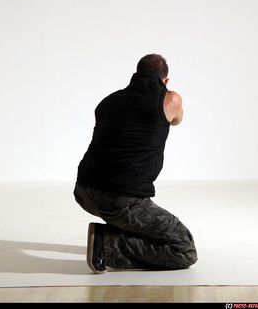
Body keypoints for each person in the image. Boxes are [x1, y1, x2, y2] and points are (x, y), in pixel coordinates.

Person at [73, 54, 198, 273]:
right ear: (165, 81)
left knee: (137, 221)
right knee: (184, 249)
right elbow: (177, 120)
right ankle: (106, 246)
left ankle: (110, 234)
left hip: (84, 191)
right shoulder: (170, 99)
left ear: (136, 75)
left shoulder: (108, 101)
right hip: (121, 200)